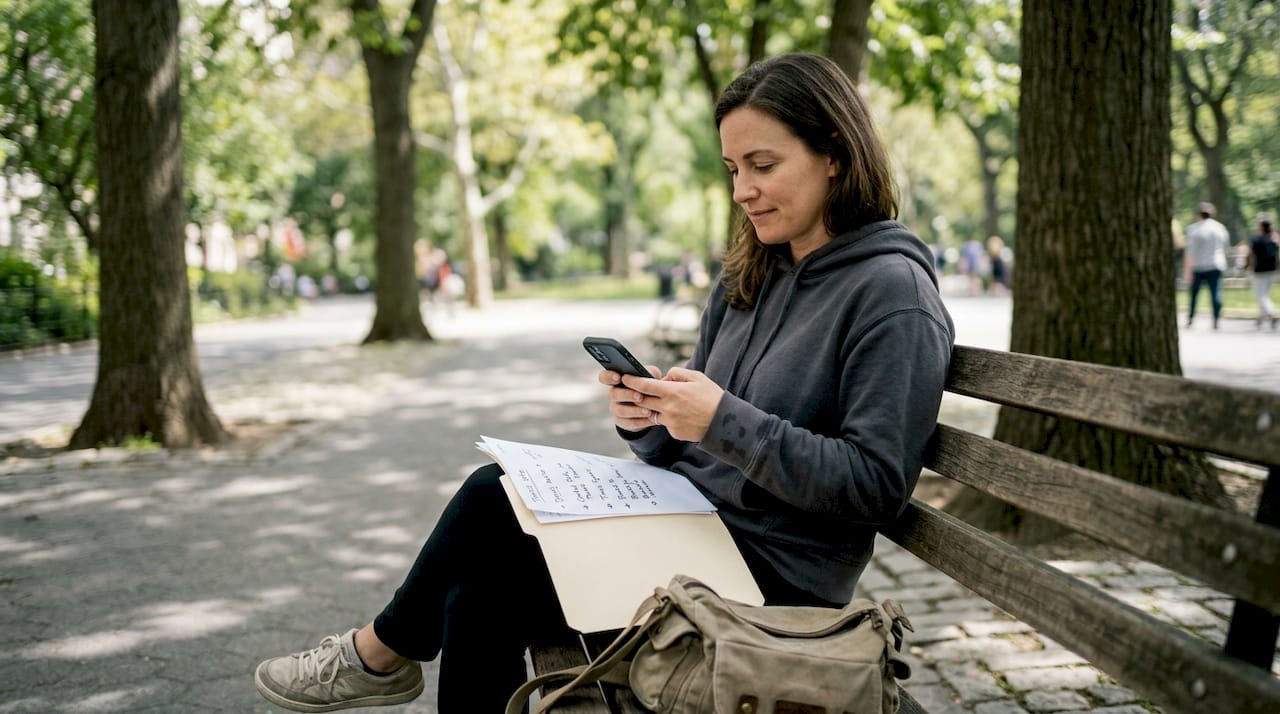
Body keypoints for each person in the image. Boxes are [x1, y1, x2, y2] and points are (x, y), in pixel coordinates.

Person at [252, 52, 955, 714]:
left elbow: (875, 487)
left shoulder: (891, 292)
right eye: (732, 168)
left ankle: (378, 654)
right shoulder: (751, 274)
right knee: (476, 590)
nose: (743, 191)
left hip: (774, 580)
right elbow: (698, 447)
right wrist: (652, 420)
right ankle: (383, 655)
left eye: (763, 165)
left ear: (834, 153)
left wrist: (721, 420)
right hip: (693, 533)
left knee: (489, 500)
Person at [1184, 201, 1230, 329]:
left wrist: (1187, 269)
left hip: (1198, 266)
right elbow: (1225, 247)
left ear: (1199, 214)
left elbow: (1190, 252)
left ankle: (1191, 317)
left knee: (1194, 294)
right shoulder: (1219, 228)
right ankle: (1216, 318)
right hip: (1216, 264)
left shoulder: (1193, 229)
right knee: (1215, 293)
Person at [1247, 214, 1280, 329]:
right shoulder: (1274, 239)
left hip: (1259, 270)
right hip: (1272, 270)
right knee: (1264, 294)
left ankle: (1271, 313)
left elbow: (1251, 255)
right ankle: (1260, 318)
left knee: (1261, 296)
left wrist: (1249, 266)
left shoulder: (1256, 239)